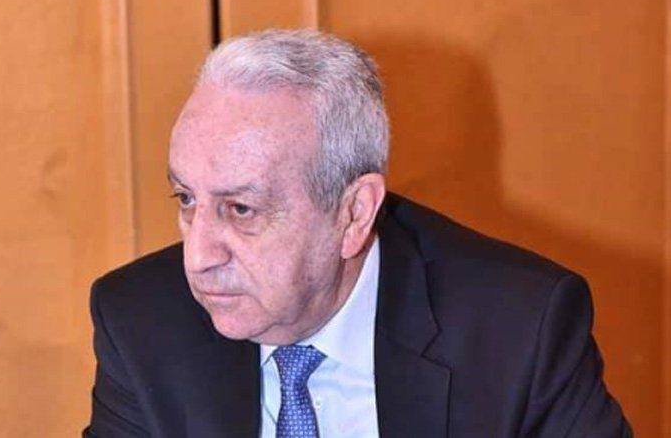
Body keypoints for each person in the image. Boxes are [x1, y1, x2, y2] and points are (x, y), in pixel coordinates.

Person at [84, 29, 631, 437]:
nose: (198, 257)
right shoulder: (140, 320)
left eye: (242, 209)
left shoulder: (517, 327)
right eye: (185, 199)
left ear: (354, 213)